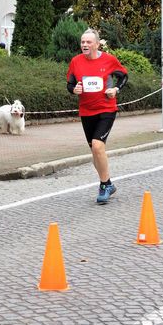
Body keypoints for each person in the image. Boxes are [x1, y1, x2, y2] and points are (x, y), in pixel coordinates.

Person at [66, 28, 128, 204]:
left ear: (97, 44)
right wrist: (74, 89)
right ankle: (108, 183)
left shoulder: (109, 60)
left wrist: (115, 89)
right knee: (95, 151)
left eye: (88, 42)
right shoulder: (76, 61)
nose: (84, 45)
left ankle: (104, 185)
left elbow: (123, 76)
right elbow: (70, 84)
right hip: (86, 111)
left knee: (97, 145)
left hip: (106, 109)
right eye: (82, 42)